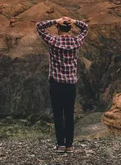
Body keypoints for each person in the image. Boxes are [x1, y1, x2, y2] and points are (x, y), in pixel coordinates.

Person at [36, 16, 89, 154]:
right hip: (70, 84)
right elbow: (86, 28)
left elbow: (39, 26)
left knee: (58, 114)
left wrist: (55, 20)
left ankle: (60, 144)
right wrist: (75, 21)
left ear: (58, 28)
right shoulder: (76, 42)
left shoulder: (53, 41)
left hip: (56, 83)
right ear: (70, 28)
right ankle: (69, 145)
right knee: (69, 113)